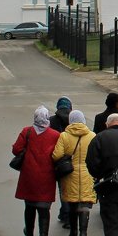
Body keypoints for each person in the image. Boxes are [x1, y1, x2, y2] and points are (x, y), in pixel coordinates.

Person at [12, 106, 60, 236]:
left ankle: (30, 233)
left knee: (30, 205)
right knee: (44, 208)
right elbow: (58, 153)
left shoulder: (26, 131)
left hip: (29, 174)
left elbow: (16, 149)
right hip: (47, 175)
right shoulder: (55, 135)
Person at [52, 109, 95, 236]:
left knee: (72, 204)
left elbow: (56, 155)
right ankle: (84, 234)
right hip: (88, 173)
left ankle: (73, 232)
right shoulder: (92, 135)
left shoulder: (64, 136)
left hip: (70, 174)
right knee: (85, 205)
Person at [49, 96, 74, 229]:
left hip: (58, 162)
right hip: (74, 160)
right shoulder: (74, 120)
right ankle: (66, 213)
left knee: (62, 189)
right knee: (72, 188)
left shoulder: (51, 121)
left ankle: (65, 213)